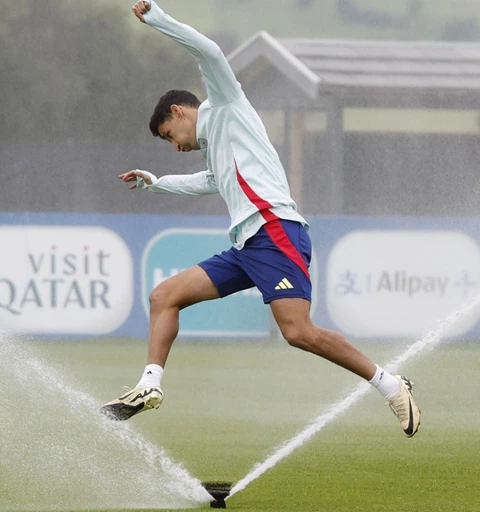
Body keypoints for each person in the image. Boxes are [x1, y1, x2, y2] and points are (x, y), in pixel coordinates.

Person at [102, 0, 421, 437]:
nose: (174, 145)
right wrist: (156, 182)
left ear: (179, 112)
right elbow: (209, 181)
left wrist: (157, 19)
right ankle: (149, 386)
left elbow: (209, 52)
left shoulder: (225, 105)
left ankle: (390, 385)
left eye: (169, 136)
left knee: (297, 332)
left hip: (276, 231)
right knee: (164, 296)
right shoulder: (216, 144)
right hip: (248, 245)